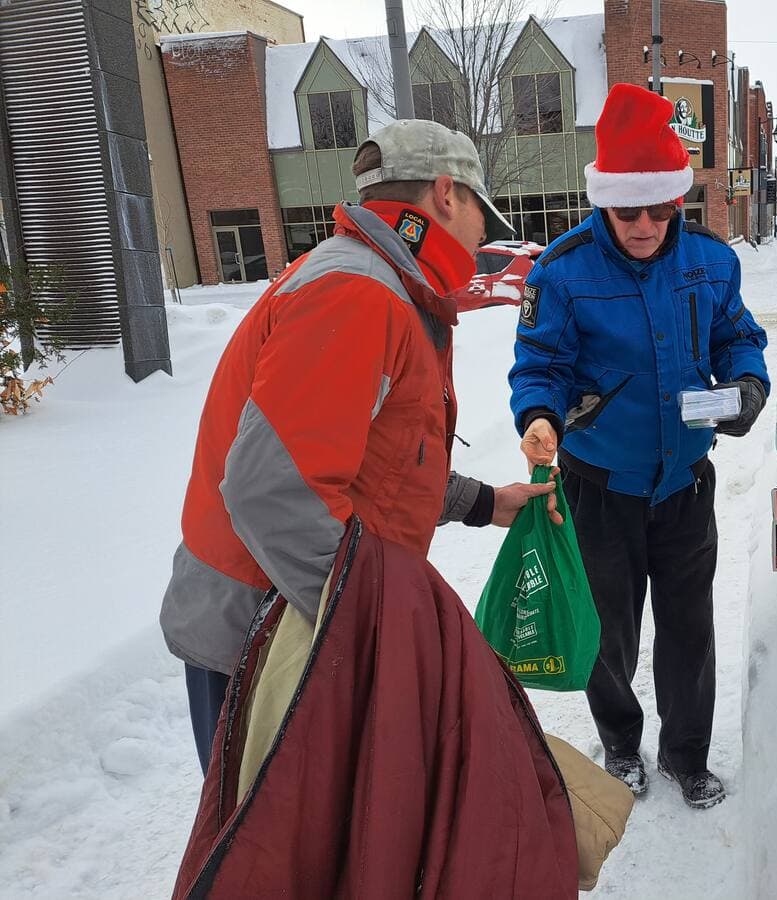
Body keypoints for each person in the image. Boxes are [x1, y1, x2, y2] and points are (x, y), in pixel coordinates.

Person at [160, 118, 558, 773]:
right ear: (444, 195)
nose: (485, 234)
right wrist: (377, 627)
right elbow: (274, 494)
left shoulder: (383, 286)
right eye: (479, 211)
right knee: (282, 869)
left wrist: (488, 503)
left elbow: (380, 468)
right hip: (264, 643)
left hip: (293, 620)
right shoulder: (358, 293)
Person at [509, 83, 770, 810]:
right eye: (630, 211)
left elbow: (737, 339)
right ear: (604, 202)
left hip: (684, 486)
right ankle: (621, 743)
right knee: (608, 632)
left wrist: (746, 386)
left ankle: (687, 755)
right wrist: (538, 415)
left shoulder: (713, 263)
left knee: (689, 630)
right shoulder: (562, 272)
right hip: (599, 489)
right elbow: (540, 367)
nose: (648, 224)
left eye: (663, 208)